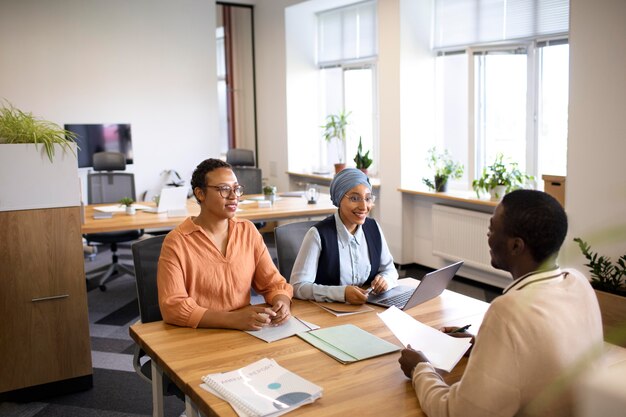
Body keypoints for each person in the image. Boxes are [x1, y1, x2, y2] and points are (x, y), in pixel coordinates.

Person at [398, 189, 603, 417]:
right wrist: (482, 344)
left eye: (492, 229)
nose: (488, 236)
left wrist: (420, 368)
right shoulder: (579, 283)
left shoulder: (508, 310)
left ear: (516, 246)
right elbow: (545, 351)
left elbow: (457, 413)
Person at [157, 158, 293, 330]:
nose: (233, 196)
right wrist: (232, 320)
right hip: (201, 332)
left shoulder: (247, 231)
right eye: (224, 189)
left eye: (236, 189)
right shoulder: (177, 242)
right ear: (200, 194)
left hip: (246, 328)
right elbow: (173, 307)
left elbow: (273, 283)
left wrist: (282, 302)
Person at [290, 168, 398, 304]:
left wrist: (385, 280)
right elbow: (297, 286)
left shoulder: (373, 228)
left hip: (367, 308)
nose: (364, 206)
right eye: (354, 198)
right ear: (339, 199)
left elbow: (390, 270)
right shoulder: (317, 234)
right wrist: (341, 293)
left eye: (368, 198)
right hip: (327, 313)